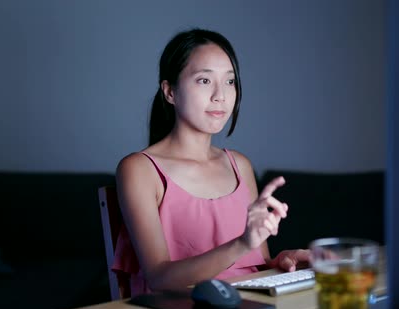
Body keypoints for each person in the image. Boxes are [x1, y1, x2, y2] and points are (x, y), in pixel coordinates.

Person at [112, 28, 310, 295]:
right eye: (204, 81)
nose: (221, 95)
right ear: (170, 92)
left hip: (250, 302)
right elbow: (158, 278)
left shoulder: (240, 165)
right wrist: (240, 244)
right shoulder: (139, 169)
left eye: (230, 82)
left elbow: (257, 265)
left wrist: (282, 261)